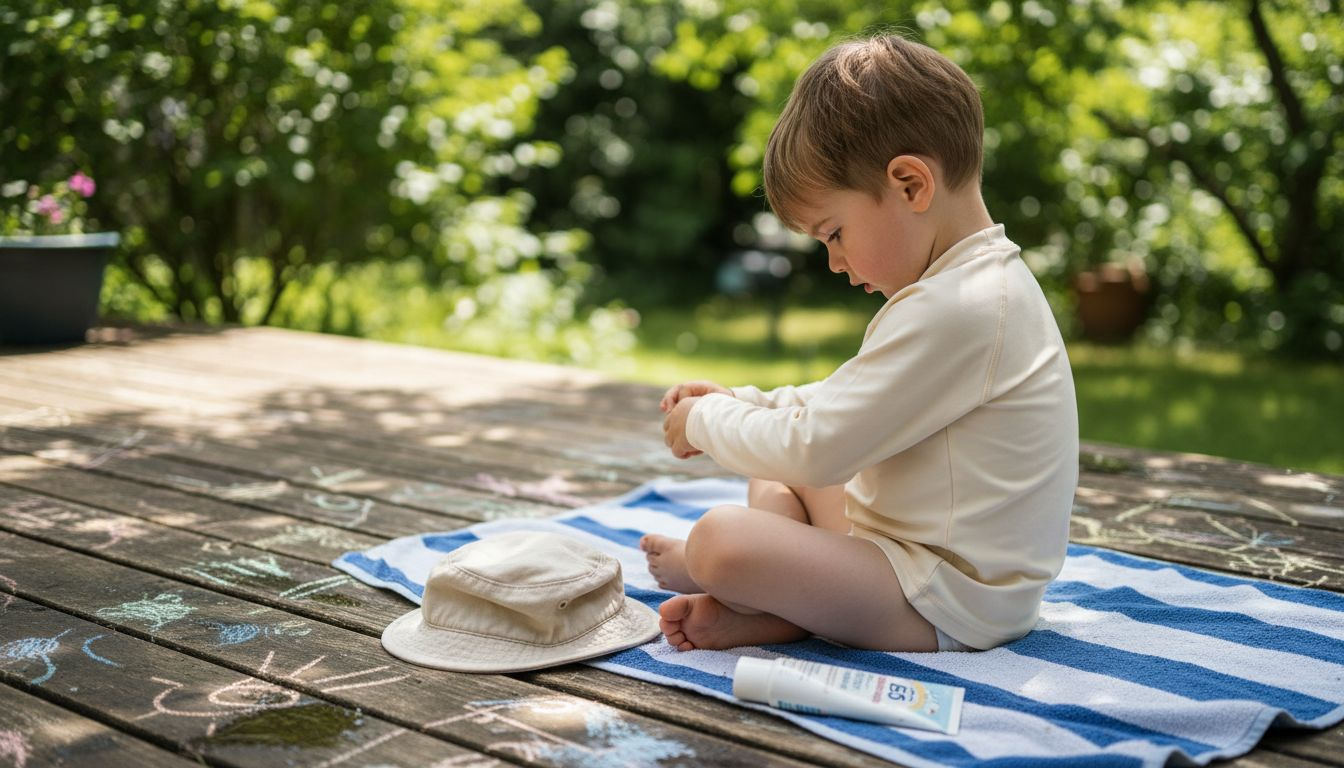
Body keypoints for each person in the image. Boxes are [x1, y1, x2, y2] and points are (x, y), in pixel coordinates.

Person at [642, 33, 1079, 654]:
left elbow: (820, 446)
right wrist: (748, 400)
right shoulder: (970, 286)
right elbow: (841, 402)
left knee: (721, 539)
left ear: (909, 184)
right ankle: (778, 604)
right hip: (905, 553)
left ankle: (750, 583)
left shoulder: (962, 308)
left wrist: (708, 420)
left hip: (949, 599)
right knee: (777, 481)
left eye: (834, 233)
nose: (835, 263)